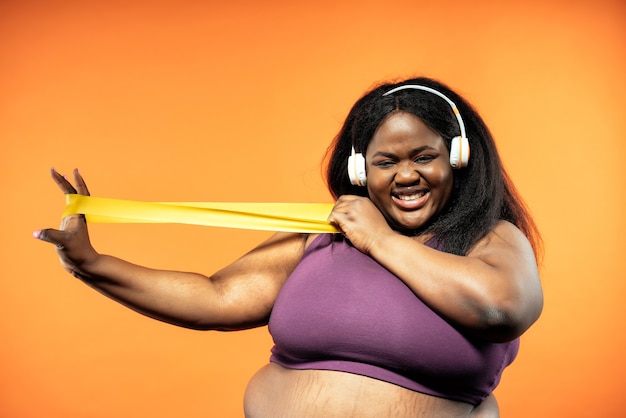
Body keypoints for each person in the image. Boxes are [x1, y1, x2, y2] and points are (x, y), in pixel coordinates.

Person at [34, 76, 544, 418]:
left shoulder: (490, 238)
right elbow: (215, 296)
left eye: (424, 156)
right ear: (361, 170)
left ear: (457, 157)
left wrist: (378, 238)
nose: (406, 174)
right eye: (386, 161)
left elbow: (501, 307)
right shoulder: (316, 237)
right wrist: (90, 263)